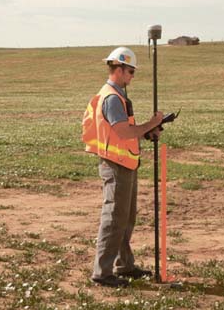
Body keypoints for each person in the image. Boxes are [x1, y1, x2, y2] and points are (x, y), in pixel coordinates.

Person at [82, 47, 163, 287]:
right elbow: (123, 131)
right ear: (118, 69)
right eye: (130, 71)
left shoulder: (118, 96)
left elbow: (126, 133)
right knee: (114, 218)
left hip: (126, 162)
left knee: (126, 218)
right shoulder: (111, 97)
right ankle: (102, 273)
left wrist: (147, 133)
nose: (132, 76)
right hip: (116, 166)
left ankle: (124, 265)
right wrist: (152, 122)